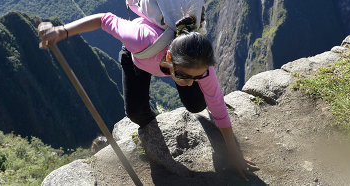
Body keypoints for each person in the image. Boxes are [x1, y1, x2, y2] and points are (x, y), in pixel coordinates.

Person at [38, 12, 259, 179]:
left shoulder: (201, 68)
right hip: (141, 57)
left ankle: (182, 86)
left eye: (198, 77)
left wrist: (234, 153)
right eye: (185, 75)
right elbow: (104, 19)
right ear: (171, 58)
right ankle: (155, 145)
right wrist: (62, 31)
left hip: (176, 62)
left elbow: (219, 108)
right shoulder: (139, 39)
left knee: (198, 104)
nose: (191, 81)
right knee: (136, 112)